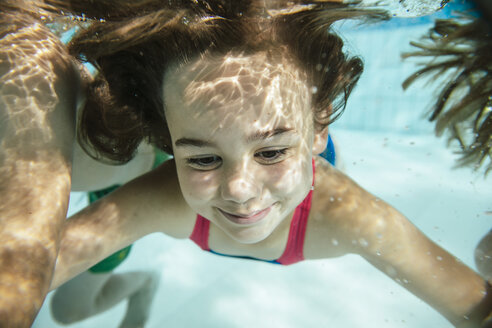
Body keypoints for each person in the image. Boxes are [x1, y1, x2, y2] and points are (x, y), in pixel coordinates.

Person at [34, 1, 490, 327]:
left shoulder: (350, 216)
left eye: (271, 152)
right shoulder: (163, 195)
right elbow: (28, 271)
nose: (239, 189)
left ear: (319, 130)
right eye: (202, 157)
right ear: (171, 145)